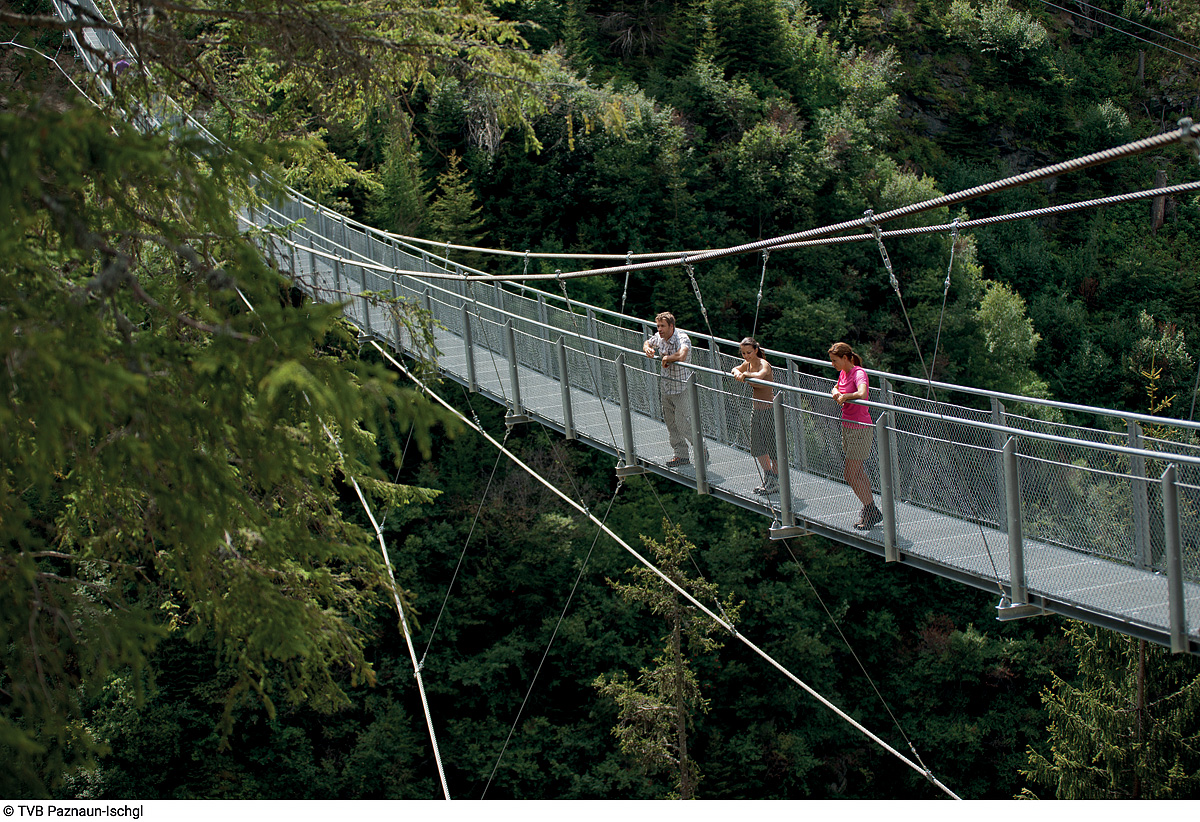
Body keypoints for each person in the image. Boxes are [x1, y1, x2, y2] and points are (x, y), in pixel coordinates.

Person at [829, 342, 882, 530]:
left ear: (845, 358)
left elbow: (862, 393)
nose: (832, 364)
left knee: (850, 475)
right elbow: (836, 387)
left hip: (860, 428)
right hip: (848, 426)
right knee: (858, 472)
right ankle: (870, 509)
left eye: (835, 361)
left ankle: (871, 509)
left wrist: (846, 396)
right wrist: (836, 392)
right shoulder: (843, 373)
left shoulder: (858, 373)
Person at [643, 311, 695, 467]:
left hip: (681, 387)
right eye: (658, 326)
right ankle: (681, 455)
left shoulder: (682, 338)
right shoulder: (659, 337)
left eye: (662, 326)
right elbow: (647, 342)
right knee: (671, 423)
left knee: (683, 423)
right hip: (666, 387)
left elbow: (682, 354)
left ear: (671, 326)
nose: (659, 329)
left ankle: (701, 449)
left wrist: (667, 358)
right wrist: (647, 349)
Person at [731, 337, 779, 495]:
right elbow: (735, 369)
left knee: (773, 446)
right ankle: (768, 475)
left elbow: (760, 375)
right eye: (743, 353)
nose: (746, 356)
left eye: (749, 352)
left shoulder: (763, 364)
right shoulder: (748, 364)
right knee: (757, 446)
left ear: (756, 350)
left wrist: (744, 375)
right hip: (756, 409)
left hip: (769, 410)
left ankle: (776, 479)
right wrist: (738, 372)